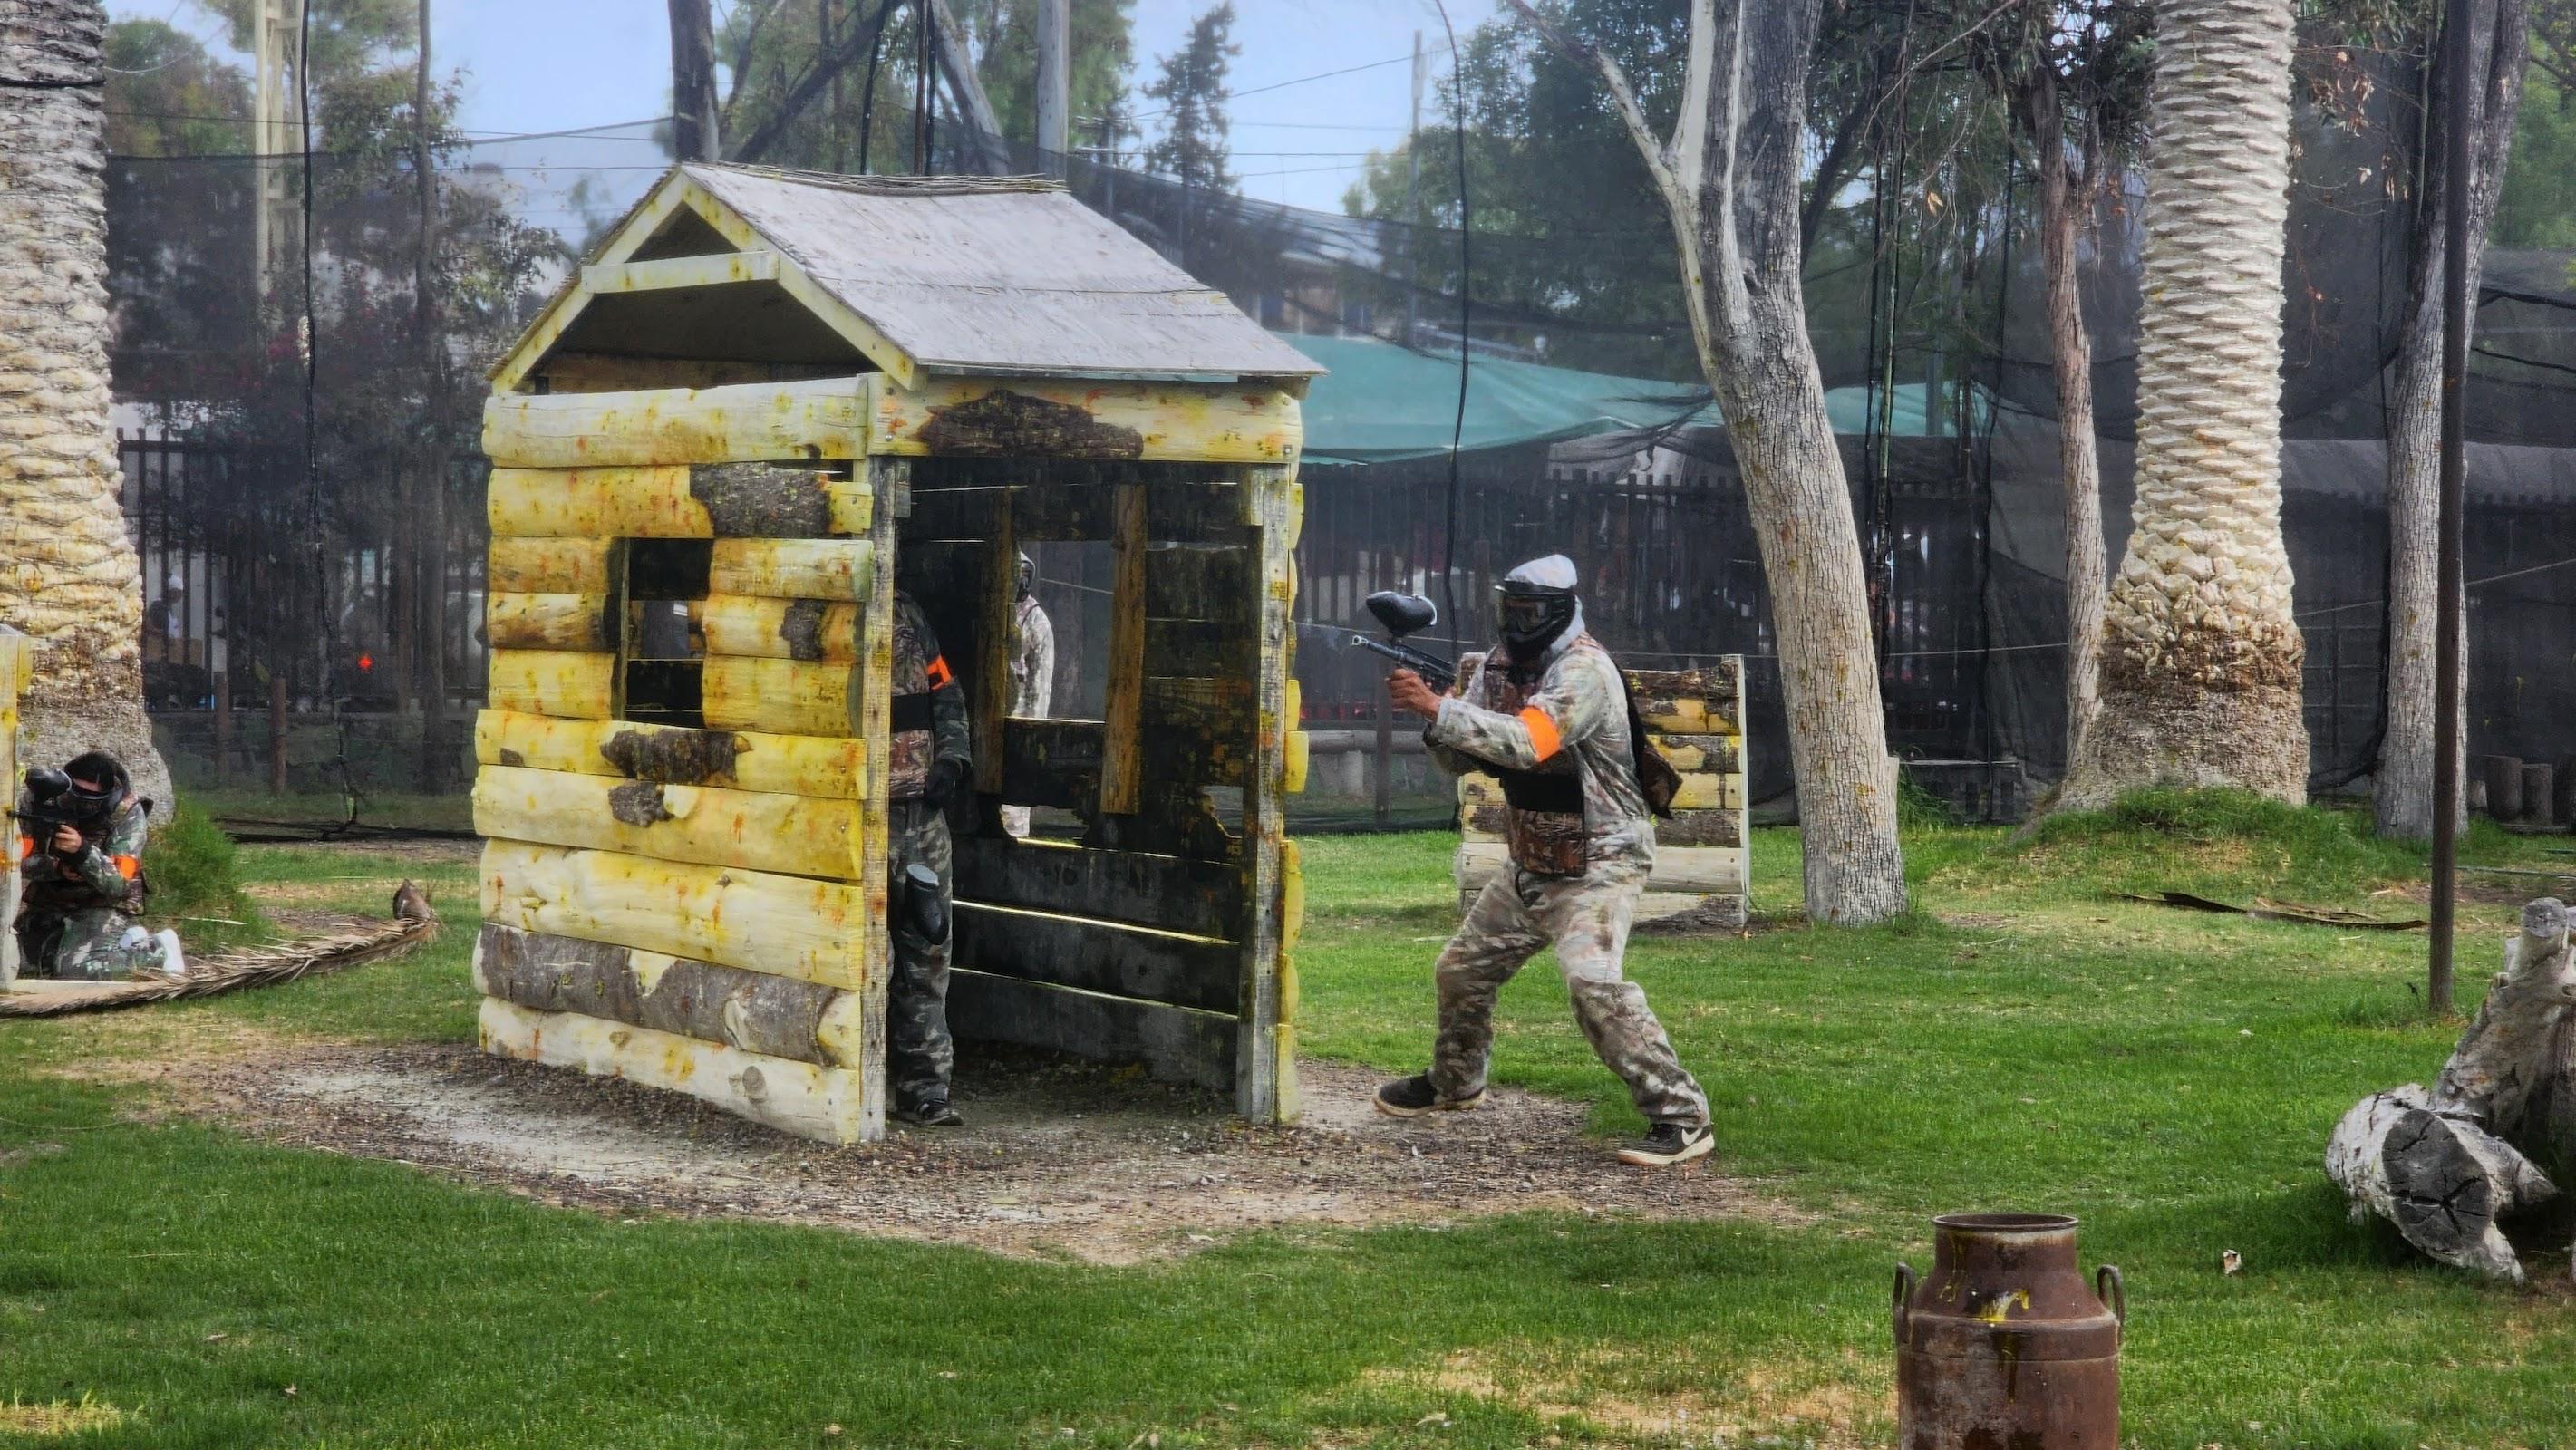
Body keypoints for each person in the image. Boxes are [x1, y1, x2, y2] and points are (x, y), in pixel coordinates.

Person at [1375, 555, 1713, 1167]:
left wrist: (1437, 710)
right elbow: (1461, 759)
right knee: (1461, 970)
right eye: (1510, 609)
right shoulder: (1499, 665)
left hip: (1602, 859)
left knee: (1593, 983)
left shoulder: (1584, 670)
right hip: (1534, 855)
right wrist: (1437, 717)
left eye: (1529, 612)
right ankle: (1456, 1083)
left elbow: (1528, 744)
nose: (1517, 623)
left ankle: (1682, 1116)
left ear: (1559, 611)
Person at [887, 592, 973, 1126]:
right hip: (853, 817)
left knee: (928, 950)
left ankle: (926, 1091)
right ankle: (851, 1086)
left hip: (920, 818)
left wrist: (952, 759)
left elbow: (945, 690)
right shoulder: (825, 613)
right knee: (863, 959)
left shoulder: (908, 614)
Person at [13, 752, 183, 981]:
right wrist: (57, 868)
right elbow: (17, 862)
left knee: (77, 970)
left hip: (102, 903)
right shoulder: (42, 799)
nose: (82, 803)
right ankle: (120, 944)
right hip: (53, 897)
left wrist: (83, 852)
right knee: (16, 961)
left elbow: (119, 884)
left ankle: (158, 949)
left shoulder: (127, 813)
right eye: (76, 793)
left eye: (91, 798)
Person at [1001, 550, 1056, 839]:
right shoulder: (992, 607)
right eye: (1015, 575)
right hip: (986, 725)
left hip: (1020, 721)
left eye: (1024, 576)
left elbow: (1041, 687)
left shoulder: (1036, 619)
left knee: (1013, 809)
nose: (1020, 582)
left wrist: (1034, 733)